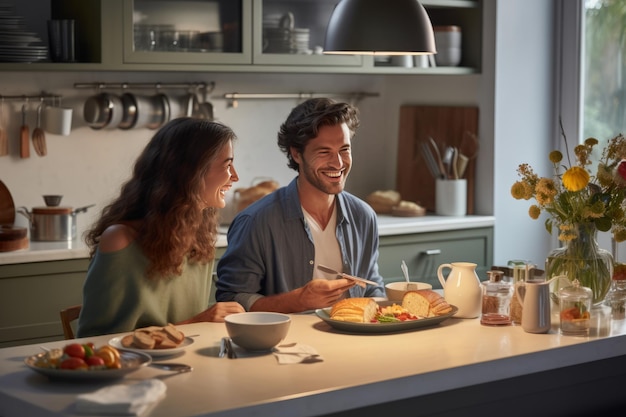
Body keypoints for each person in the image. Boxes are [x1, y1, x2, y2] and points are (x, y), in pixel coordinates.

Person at [77, 118, 245, 337]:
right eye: (227, 164)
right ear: (191, 171)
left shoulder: (200, 238)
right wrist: (197, 322)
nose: (235, 176)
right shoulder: (120, 239)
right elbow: (94, 342)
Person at [216, 98, 385, 313]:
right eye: (324, 152)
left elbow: (371, 287)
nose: (338, 163)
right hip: (285, 344)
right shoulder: (256, 222)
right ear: (296, 154)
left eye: (344, 149)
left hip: (353, 342)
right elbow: (232, 300)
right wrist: (298, 301)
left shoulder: (364, 216)